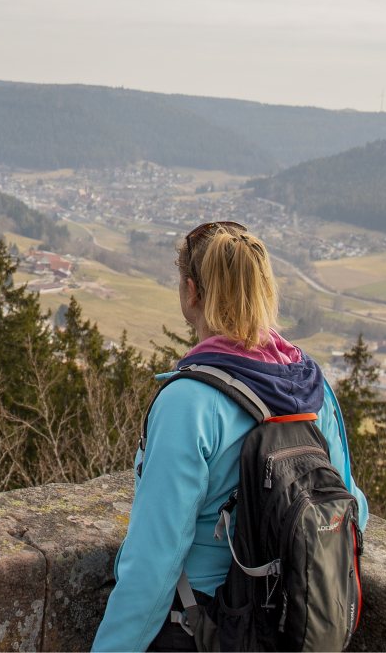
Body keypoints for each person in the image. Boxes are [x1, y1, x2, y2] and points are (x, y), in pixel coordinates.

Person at [91, 221, 368, 652]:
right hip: (286, 623)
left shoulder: (188, 402)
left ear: (191, 292)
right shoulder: (313, 387)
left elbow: (154, 561)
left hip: (201, 626)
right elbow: (350, 506)